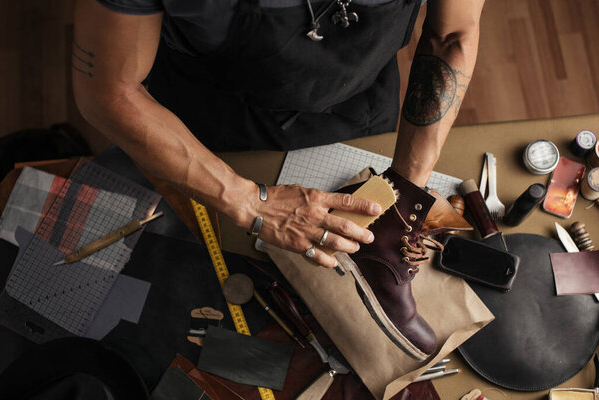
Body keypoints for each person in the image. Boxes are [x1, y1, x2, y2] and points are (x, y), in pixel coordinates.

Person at [72, 0, 483, 359]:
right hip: (209, 121)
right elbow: (109, 91)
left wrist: (404, 195)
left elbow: (452, 35)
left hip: (357, 102)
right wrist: (249, 201)